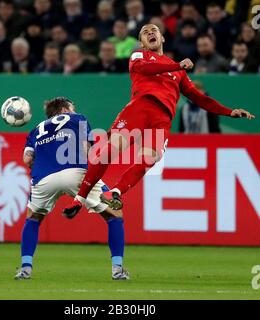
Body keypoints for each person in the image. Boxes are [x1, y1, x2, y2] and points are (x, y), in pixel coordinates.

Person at [64, 23, 255, 216]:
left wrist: (229, 111)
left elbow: (199, 98)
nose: (149, 33)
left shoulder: (179, 73)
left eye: (153, 30)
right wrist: (177, 64)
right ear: (142, 42)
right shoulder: (140, 56)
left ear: (162, 38)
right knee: (109, 150)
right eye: (145, 33)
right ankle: (79, 199)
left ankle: (116, 191)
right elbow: (146, 68)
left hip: (162, 119)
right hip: (140, 109)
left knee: (149, 158)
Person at [15, 97, 129, 281]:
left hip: (43, 178)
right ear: (65, 110)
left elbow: (27, 159)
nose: (74, 111)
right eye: (72, 108)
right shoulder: (78, 119)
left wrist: (46, 163)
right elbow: (87, 149)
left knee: (33, 218)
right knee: (115, 214)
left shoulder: (35, 130)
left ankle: (25, 269)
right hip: (76, 172)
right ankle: (117, 270)